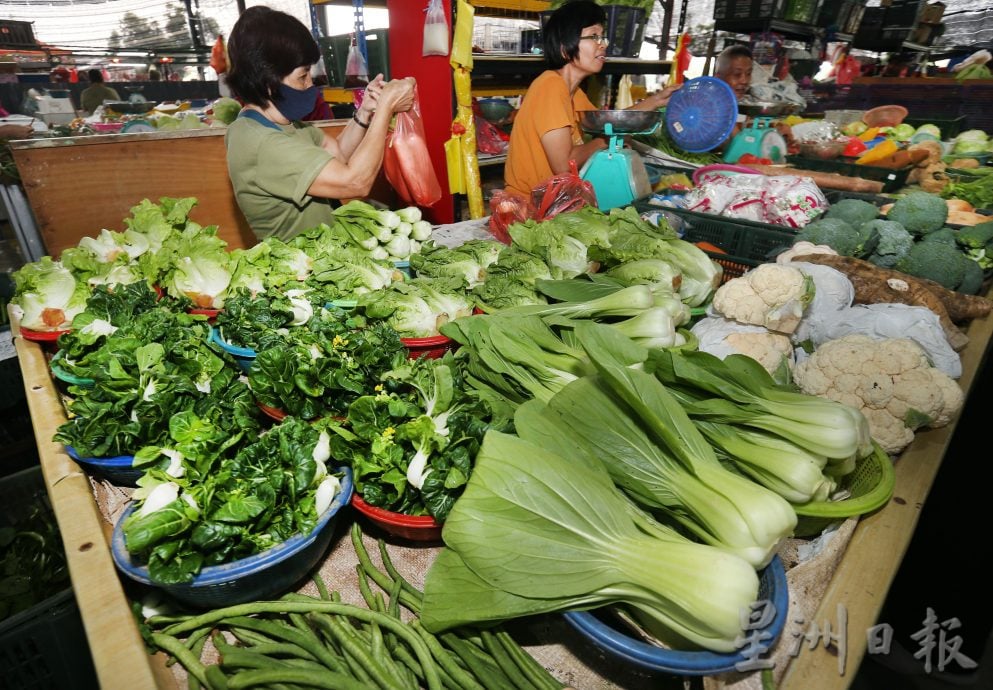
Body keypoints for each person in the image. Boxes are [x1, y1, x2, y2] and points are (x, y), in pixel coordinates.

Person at [224, 5, 415, 242]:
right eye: (302, 76)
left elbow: (338, 157)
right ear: (268, 82)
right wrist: (386, 107)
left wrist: (366, 112)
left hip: (326, 255)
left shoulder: (281, 123)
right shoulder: (260, 142)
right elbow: (354, 182)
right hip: (302, 271)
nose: (309, 85)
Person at [503, 0, 680, 198]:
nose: (603, 44)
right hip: (528, 208)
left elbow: (611, 121)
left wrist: (656, 100)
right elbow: (563, 165)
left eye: (602, 37)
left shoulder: (573, 92)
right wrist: (606, 139)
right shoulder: (550, 87)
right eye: (594, 36)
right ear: (565, 48)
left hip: (555, 201)